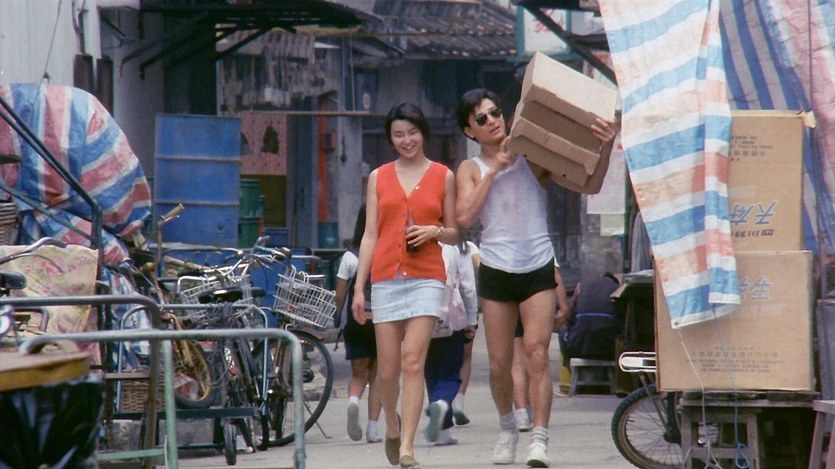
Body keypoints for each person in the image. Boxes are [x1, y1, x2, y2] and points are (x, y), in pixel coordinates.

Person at [454, 88, 617, 467]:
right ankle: (507, 428)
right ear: (469, 131)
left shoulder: (533, 155)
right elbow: (463, 218)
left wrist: (607, 146)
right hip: (496, 268)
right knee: (498, 364)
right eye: (482, 119)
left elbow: (589, 184)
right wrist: (495, 169)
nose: (493, 121)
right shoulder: (470, 169)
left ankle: (540, 439)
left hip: (537, 265)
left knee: (537, 354)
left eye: (496, 112)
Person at [351, 102, 459, 469]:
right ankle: (392, 426)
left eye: (412, 132)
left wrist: (434, 231)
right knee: (387, 369)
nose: (406, 140)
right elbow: (370, 234)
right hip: (385, 278)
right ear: (390, 138)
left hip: (427, 277)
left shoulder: (443, 175)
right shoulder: (378, 177)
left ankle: (408, 447)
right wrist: (359, 288)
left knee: (413, 360)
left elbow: (455, 231)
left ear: (423, 133)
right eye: (398, 134)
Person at [334, 204, 383, 443]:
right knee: (379, 376)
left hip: (356, 320)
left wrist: (338, 318)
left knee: (359, 373)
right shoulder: (386, 252)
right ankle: (373, 428)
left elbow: (341, 293)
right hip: (382, 320)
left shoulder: (350, 256)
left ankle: (353, 401)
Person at [422, 241, 479, 446]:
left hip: (422, 315)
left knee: (431, 370)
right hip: (451, 319)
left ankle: (443, 430)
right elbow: (467, 287)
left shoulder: (417, 242)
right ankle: (442, 402)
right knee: (451, 371)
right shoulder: (457, 248)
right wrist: (472, 319)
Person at [559, 273, 621, 364]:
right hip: (608, 347)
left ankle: (568, 365)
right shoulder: (617, 289)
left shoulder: (581, 286)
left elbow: (570, 316)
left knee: (563, 330)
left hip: (580, 345)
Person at [451, 239, 479, 425]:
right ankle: (459, 401)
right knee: (465, 356)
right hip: (465, 310)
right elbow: (470, 286)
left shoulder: (433, 244)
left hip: (439, 309)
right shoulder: (468, 247)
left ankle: (442, 399)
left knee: (439, 356)